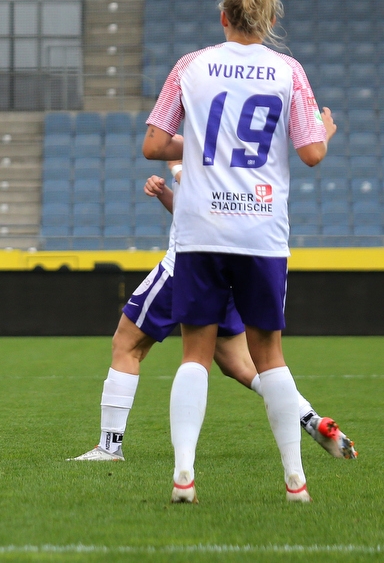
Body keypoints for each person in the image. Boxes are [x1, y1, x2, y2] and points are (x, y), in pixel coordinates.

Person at [142, 0, 336, 503]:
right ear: (271, 21)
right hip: (261, 229)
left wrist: (203, 140)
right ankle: (296, 484)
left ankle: (184, 475)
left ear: (223, 18)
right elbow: (311, 153)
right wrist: (326, 130)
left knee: (194, 354)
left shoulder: (191, 65)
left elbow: (154, 144)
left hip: (201, 226)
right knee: (269, 355)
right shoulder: (287, 70)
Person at [70, 165, 355, 462]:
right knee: (240, 364)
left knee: (126, 344)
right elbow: (197, 213)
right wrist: (167, 193)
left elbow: (205, 198)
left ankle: (109, 446)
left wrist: (179, 169)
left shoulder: (200, 148)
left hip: (186, 268)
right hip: (229, 270)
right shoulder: (241, 155)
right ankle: (310, 419)